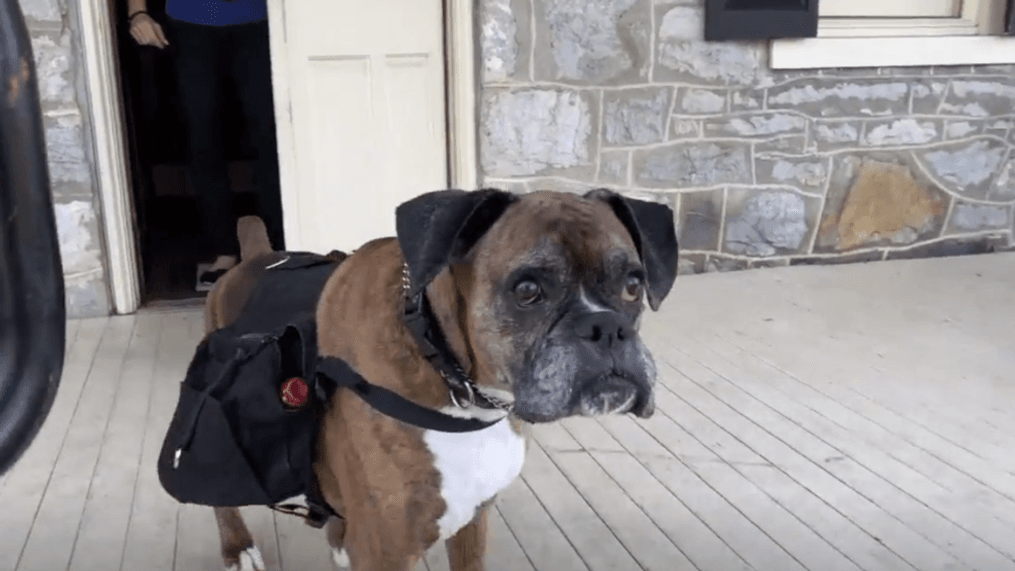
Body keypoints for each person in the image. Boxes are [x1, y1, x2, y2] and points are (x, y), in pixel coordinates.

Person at [127, 0, 285, 287]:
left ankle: (279, 246)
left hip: (262, 19)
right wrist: (137, 13)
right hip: (190, 24)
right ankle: (224, 250)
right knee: (202, 138)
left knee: (271, 135)